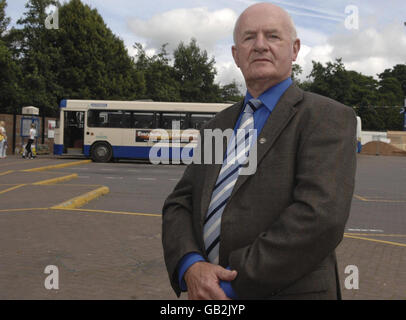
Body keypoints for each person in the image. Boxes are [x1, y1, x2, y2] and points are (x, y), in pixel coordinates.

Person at [162, 2, 357, 300]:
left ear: (294, 49)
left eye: (273, 36)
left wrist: (226, 284)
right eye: (249, 37)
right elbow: (181, 202)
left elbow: (320, 219)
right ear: (235, 55)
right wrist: (191, 265)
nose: (260, 45)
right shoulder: (219, 125)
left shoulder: (326, 117)